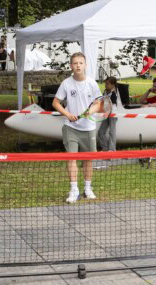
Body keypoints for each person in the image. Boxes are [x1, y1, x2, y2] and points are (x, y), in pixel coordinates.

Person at [53, 52, 102, 203]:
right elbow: (55, 103)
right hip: (70, 127)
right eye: (75, 63)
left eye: (81, 63)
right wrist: (67, 114)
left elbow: (99, 103)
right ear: (71, 66)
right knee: (71, 158)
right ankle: (74, 190)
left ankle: (88, 188)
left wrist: (90, 112)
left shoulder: (92, 83)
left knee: (88, 160)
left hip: (88, 128)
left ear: (85, 65)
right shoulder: (66, 84)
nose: (78, 65)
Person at [98, 76, 118, 152]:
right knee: (101, 132)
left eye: (107, 84)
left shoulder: (114, 93)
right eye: (105, 84)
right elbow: (102, 101)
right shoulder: (105, 91)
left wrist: (107, 112)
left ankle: (112, 149)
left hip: (113, 114)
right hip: (106, 114)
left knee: (112, 131)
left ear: (113, 85)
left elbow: (112, 105)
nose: (105, 85)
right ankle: (105, 148)